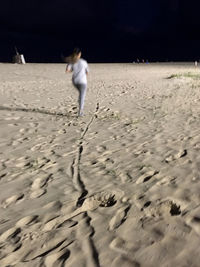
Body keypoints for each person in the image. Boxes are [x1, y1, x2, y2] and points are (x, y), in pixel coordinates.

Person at [66, 48, 89, 117]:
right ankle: (80, 112)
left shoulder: (72, 61)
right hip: (82, 81)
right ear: (79, 54)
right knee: (82, 96)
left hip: (75, 81)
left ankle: (79, 103)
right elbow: (87, 72)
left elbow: (67, 71)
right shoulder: (83, 62)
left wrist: (74, 70)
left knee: (80, 94)